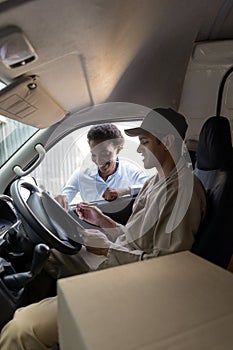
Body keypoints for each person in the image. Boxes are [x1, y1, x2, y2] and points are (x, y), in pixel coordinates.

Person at [0, 108, 206, 350]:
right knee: (49, 253)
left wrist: (107, 247)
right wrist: (103, 222)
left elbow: (167, 266)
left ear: (167, 141)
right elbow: (136, 237)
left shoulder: (183, 191)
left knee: (21, 328)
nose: (139, 149)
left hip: (134, 286)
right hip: (120, 265)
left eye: (145, 142)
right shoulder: (155, 181)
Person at [55, 123, 148, 208]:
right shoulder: (81, 174)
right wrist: (61, 200)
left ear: (118, 149)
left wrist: (124, 191)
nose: (99, 161)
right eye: (94, 154)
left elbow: (149, 187)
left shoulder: (131, 171)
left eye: (105, 153)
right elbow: (65, 197)